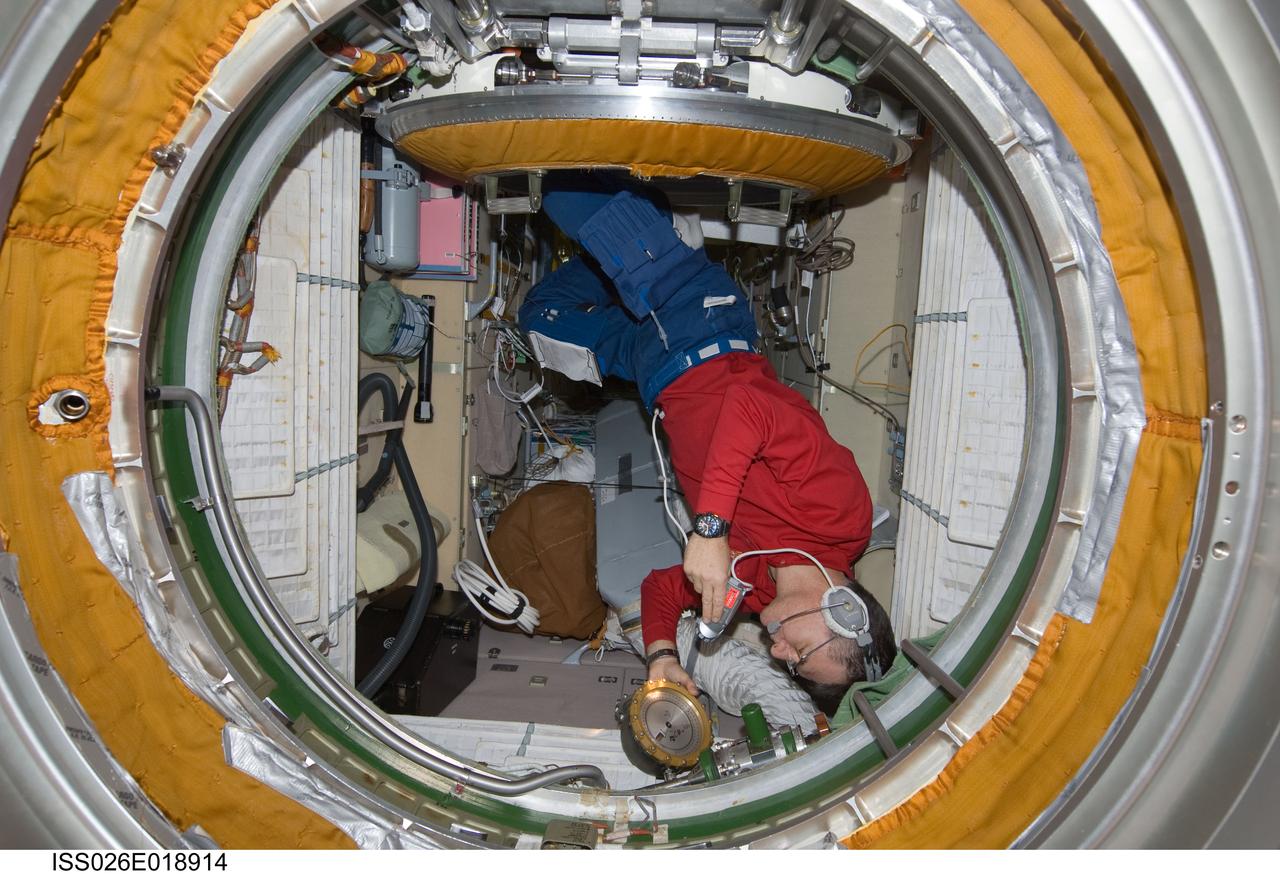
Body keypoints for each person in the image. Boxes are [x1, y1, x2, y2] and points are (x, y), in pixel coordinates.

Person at [518, 172, 895, 713]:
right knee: (562, 193)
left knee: (541, 318)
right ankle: (660, 248)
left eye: (788, 662)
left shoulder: (756, 589)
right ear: (844, 610)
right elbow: (751, 405)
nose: (780, 651)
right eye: (801, 650)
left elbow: (660, 589)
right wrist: (712, 530)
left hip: (656, 372)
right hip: (701, 331)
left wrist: (662, 654)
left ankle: (653, 243)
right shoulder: (840, 517)